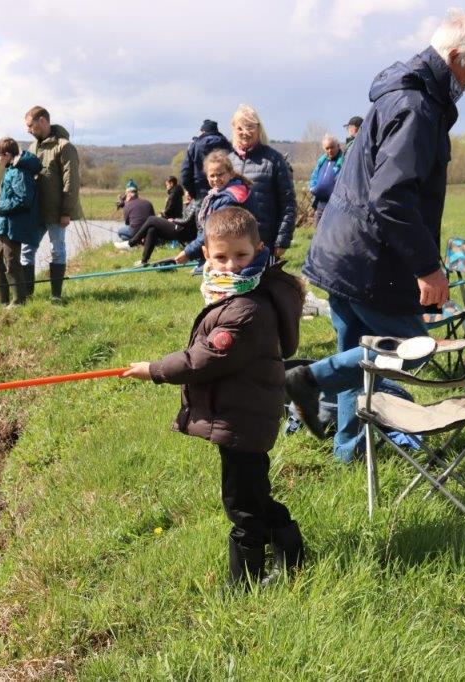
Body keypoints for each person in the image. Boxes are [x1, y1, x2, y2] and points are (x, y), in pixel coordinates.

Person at [293, 9, 465, 462]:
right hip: (367, 260)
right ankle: (308, 380)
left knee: (357, 352)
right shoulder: (416, 107)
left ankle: (349, 451)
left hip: (342, 254)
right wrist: (428, 267)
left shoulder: (405, 96)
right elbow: (391, 197)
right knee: (415, 348)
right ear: (453, 56)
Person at [122, 206, 306, 587]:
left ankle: (245, 585)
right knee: (252, 494)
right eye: (221, 257)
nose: (231, 266)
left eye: (241, 256)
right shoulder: (234, 292)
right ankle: (292, 549)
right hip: (242, 413)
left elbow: (203, 359)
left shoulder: (247, 309)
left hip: (244, 419)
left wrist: (154, 370)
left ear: (259, 250)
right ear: (206, 253)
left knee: (241, 505)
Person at [25, 105, 82, 301]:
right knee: (27, 250)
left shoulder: (65, 146)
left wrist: (66, 211)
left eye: (30, 125)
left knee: (57, 251)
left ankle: (56, 296)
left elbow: (71, 182)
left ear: (43, 121)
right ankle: (27, 295)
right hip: (35, 213)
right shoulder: (32, 147)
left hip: (57, 213)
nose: (28, 130)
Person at [228, 104, 297, 258]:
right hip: (232, 244)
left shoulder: (274, 160)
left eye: (250, 127)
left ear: (259, 129)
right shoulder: (228, 162)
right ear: (233, 129)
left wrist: (282, 240)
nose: (245, 132)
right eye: (240, 128)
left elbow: (288, 204)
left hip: (264, 242)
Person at [167, 150, 253, 272]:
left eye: (220, 174)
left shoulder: (229, 199)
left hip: (231, 255)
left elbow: (213, 231)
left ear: (231, 173)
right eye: (212, 175)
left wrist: (188, 252)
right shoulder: (217, 195)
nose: (216, 179)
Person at [0, 137, 42, 307]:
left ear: (6, 154)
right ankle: (2, 302)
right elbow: (10, 199)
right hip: (7, 224)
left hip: (15, 226)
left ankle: (19, 301)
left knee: (11, 261)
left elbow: (23, 200)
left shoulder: (19, 172)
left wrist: (0, 207)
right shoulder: (11, 170)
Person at [180, 119, 234, 201]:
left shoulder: (194, 146)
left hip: (201, 193)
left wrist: (194, 193)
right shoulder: (227, 145)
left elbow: (185, 174)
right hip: (226, 192)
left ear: (203, 131)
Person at [308, 135, 344, 225]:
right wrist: (312, 188)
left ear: (338, 146)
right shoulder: (322, 161)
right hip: (320, 204)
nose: (330, 151)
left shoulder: (343, 162)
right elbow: (314, 176)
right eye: (327, 148)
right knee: (318, 234)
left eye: (332, 147)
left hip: (335, 206)